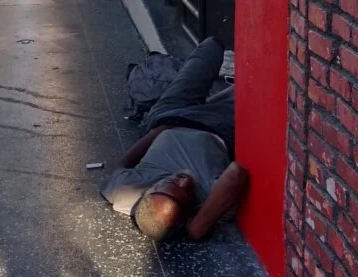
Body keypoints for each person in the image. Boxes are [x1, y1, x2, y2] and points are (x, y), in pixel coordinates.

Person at [101, 38, 248, 241]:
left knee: (211, 46)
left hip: (169, 115)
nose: (184, 180)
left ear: (150, 190)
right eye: (185, 191)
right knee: (252, 85)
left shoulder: (128, 192)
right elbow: (236, 174)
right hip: (216, 125)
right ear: (189, 213)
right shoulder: (209, 197)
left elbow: (120, 165)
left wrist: (157, 131)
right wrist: (197, 227)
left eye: (171, 182)